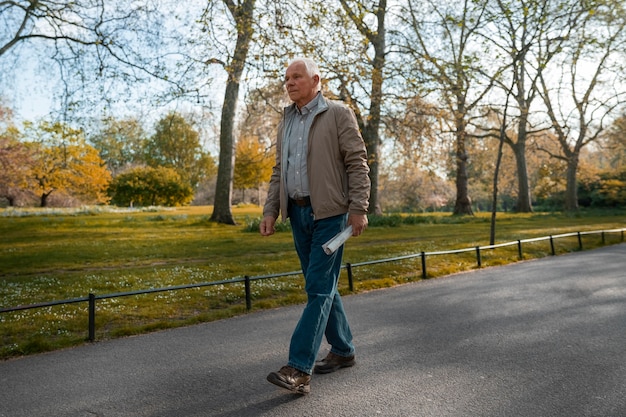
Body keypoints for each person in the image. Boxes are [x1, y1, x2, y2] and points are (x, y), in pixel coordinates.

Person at [260, 57, 371, 394]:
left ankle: (298, 368)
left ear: (316, 79)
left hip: (332, 216)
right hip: (298, 214)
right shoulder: (286, 122)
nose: (290, 83)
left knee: (318, 289)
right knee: (323, 286)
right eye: (287, 78)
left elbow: (357, 162)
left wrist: (359, 208)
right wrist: (270, 211)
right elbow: (280, 170)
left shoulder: (338, 114)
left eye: (297, 77)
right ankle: (343, 350)